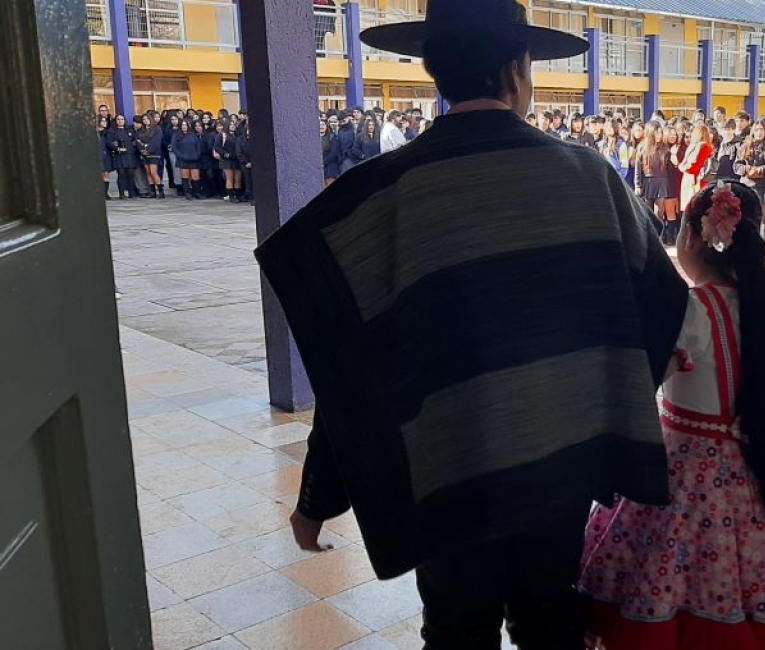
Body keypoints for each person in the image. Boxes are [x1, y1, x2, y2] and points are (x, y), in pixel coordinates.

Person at [257, 2, 689, 648]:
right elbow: (661, 309)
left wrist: (321, 492)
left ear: (433, 69)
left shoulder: (385, 195)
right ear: (518, 68)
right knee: (550, 622)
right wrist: (598, 411)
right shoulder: (590, 177)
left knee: (458, 631)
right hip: (561, 463)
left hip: (445, 468)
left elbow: (349, 362)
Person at [579, 181, 765, 649]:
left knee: (669, 584)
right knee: (757, 587)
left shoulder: (689, 312)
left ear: (693, 239)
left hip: (682, 481)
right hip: (764, 474)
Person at [735, 122, 765, 253]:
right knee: (747, 217)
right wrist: (746, 169)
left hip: (764, 188)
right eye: (757, 130)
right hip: (747, 186)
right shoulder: (745, 146)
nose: (759, 132)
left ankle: (763, 246)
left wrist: (760, 170)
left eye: (762, 130)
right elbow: (737, 165)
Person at [675, 123, 715, 212]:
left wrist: (681, 167)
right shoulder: (707, 147)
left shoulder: (699, 147)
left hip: (694, 180)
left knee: (692, 209)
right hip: (698, 179)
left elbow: (694, 167)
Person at [106, 115, 139, 199]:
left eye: (122, 119)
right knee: (121, 174)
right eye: (118, 119)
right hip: (119, 155)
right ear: (115, 120)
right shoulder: (112, 131)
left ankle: (132, 193)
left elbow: (135, 140)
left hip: (129, 154)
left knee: (131, 173)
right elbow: (109, 142)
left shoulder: (129, 130)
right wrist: (117, 148)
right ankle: (122, 194)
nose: (120, 121)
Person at [172, 119, 204, 200]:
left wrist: (197, 155)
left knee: (195, 177)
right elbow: (174, 148)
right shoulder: (176, 135)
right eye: (182, 125)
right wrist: (181, 156)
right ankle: (187, 193)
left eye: (185, 125)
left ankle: (197, 192)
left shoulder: (193, 134)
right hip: (183, 159)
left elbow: (198, 146)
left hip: (194, 159)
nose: (184, 126)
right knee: (185, 176)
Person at [136, 114, 165, 199]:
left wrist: (148, 150)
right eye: (144, 119)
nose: (145, 120)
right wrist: (142, 150)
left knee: (153, 172)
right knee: (148, 172)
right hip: (143, 154)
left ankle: (160, 191)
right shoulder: (141, 130)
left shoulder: (157, 129)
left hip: (154, 153)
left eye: (147, 119)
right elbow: (138, 141)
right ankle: (153, 192)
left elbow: (157, 141)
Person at [214, 118, 244, 201]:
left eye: (234, 125)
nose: (233, 126)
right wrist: (225, 154)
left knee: (238, 178)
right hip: (227, 159)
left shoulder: (237, 135)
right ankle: (231, 196)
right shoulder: (222, 135)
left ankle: (237, 195)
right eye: (231, 125)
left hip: (236, 158)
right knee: (229, 177)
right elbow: (217, 147)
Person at [321, 118, 342, 187]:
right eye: (320, 125)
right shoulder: (313, 139)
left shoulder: (332, 137)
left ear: (327, 126)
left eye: (323, 124)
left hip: (330, 168)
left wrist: (323, 162)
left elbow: (334, 153)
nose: (321, 126)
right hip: (319, 168)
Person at [97, 116, 114, 200]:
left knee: (106, 174)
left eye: (105, 121)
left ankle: (105, 193)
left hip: (106, 155)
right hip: (97, 155)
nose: (105, 123)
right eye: (103, 121)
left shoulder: (107, 132)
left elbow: (109, 143)